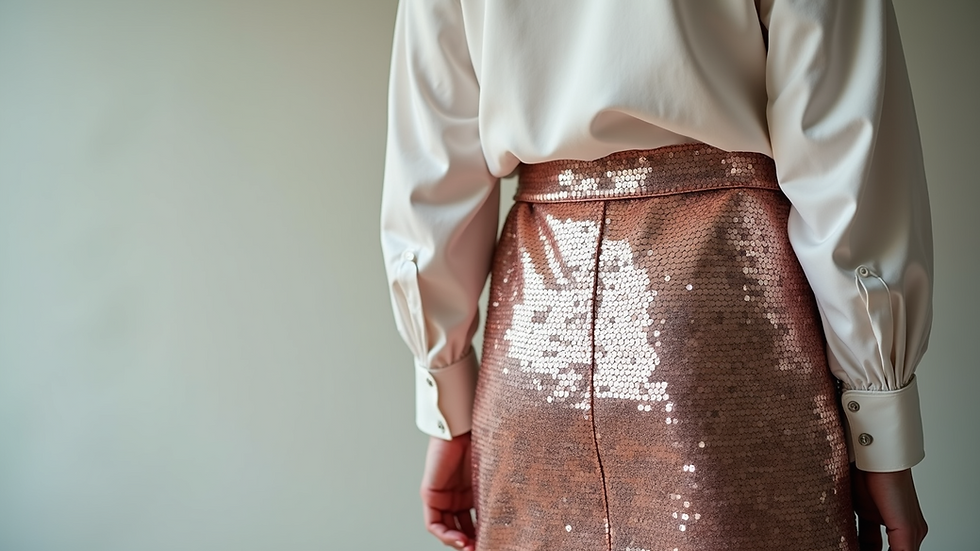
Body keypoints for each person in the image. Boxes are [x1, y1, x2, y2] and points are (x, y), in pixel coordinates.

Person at [380, 1, 931, 550]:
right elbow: (839, 146)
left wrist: (447, 400)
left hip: (532, 330)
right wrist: (878, 418)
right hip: (729, 310)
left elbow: (433, 165)